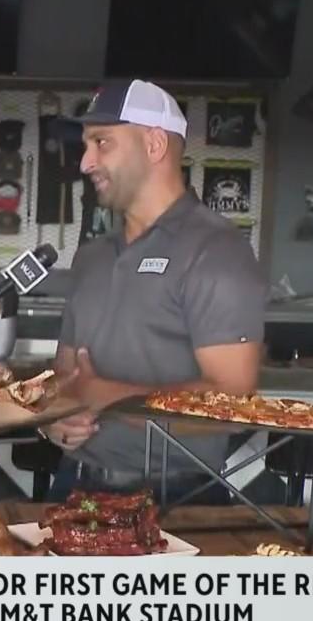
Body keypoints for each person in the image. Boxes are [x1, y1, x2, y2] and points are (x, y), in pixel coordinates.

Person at [42, 79, 267, 503]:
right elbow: (66, 379)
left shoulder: (216, 250)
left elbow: (233, 403)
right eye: (86, 145)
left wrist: (105, 396)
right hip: (73, 488)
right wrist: (54, 419)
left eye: (102, 142)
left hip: (175, 498)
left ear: (154, 145)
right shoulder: (91, 257)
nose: (86, 163)